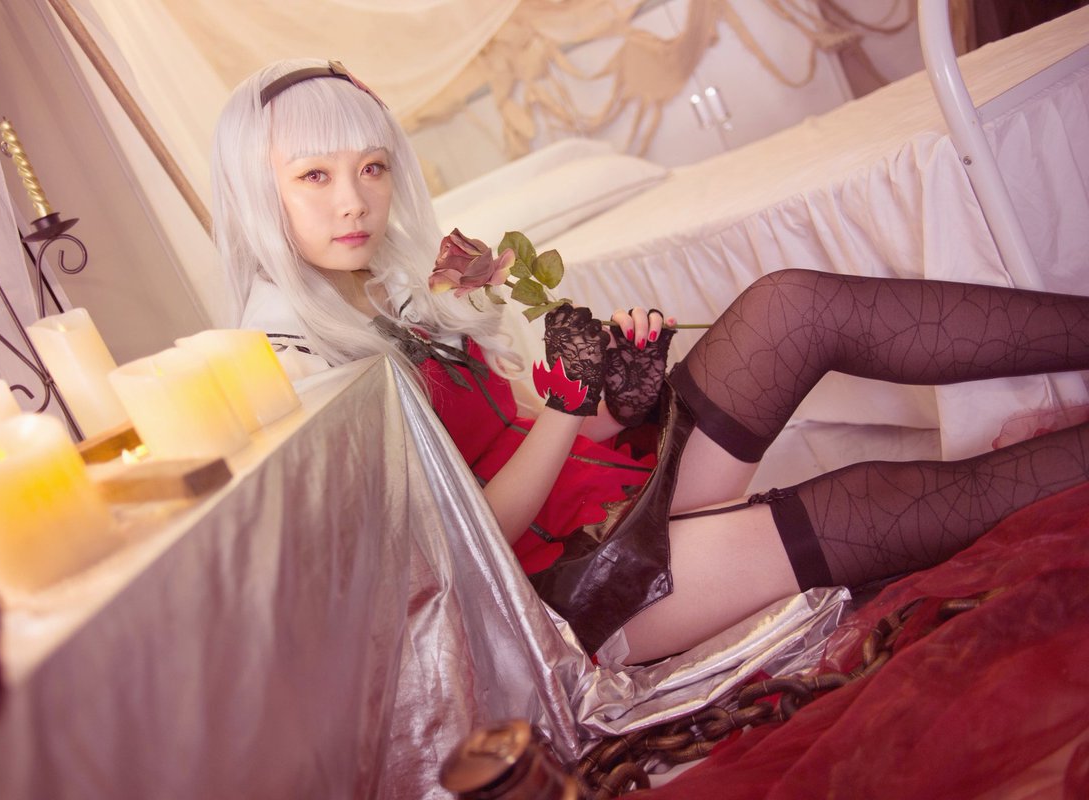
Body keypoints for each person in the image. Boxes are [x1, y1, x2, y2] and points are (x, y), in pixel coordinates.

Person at [211, 58, 1089, 666]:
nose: (355, 201)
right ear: (258, 192)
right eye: (314, 176)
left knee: (790, 306)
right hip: (558, 590)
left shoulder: (396, 290)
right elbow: (465, 549)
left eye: (371, 168)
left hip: (599, 496)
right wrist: (566, 411)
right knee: (867, 503)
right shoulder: (294, 366)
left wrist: (617, 401)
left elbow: (525, 433)